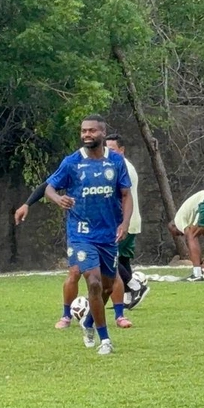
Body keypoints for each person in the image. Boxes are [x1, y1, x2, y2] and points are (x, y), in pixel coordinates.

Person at [44, 115, 133, 354]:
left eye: (92, 131)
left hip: (108, 233)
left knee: (106, 287)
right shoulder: (72, 162)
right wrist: (58, 198)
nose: (86, 135)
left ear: (102, 133)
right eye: (84, 131)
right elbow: (49, 187)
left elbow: (126, 195)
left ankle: (89, 321)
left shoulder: (116, 161)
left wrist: (125, 223)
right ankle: (105, 339)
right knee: (93, 282)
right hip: (81, 234)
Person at [105, 134, 147, 311]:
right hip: (130, 221)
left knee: (109, 257)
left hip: (125, 222)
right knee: (123, 259)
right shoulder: (121, 166)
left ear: (121, 150)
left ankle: (135, 286)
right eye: (106, 149)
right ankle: (128, 297)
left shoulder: (123, 168)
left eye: (112, 150)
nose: (108, 153)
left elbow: (120, 197)